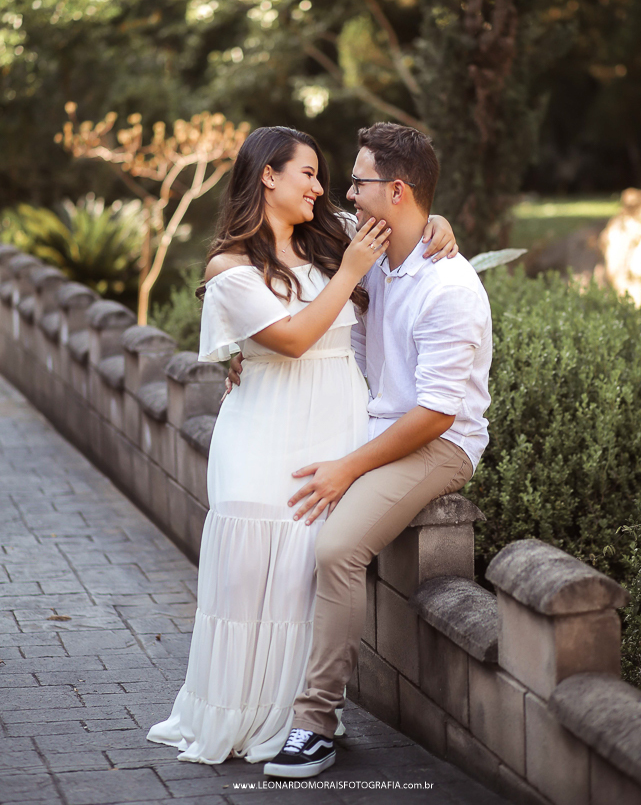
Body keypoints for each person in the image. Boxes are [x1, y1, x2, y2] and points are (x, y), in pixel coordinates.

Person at [146, 125, 456, 765]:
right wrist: (349, 271)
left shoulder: (331, 235)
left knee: (299, 576)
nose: (322, 188)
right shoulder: (230, 267)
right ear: (268, 176)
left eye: (324, 176)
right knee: (245, 577)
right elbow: (291, 338)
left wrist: (439, 221)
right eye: (309, 174)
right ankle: (231, 712)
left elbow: (401, 211)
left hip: (335, 424)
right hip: (263, 429)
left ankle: (299, 717)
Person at [261, 122, 493, 779]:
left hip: (436, 444)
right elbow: (271, 229)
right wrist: (238, 351)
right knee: (273, 504)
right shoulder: (367, 243)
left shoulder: (448, 290)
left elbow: (435, 413)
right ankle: (262, 686)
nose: (344, 194)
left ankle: (315, 720)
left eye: (358, 183)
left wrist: (346, 468)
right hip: (371, 425)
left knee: (337, 547)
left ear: (393, 190)